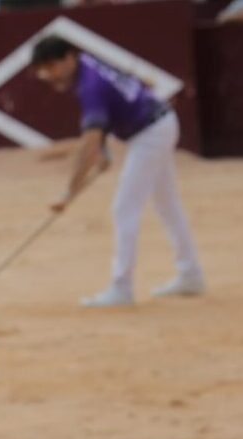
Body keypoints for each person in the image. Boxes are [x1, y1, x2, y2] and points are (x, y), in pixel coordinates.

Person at [31, 35, 205, 307]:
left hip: (150, 133)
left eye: (52, 66)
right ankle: (191, 273)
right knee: (167, 205)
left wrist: (70, 192)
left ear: (69, 58)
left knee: (125, 208)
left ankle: (122, 287)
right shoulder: (87, 65)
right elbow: (110, 110)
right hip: (157, 123)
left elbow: (89, 143)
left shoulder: (89, 86)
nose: (49, 74)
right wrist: (104, 149)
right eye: (44, 68)